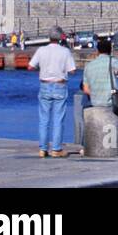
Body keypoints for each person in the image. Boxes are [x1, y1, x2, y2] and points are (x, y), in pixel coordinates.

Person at [27, 27, 77, 157]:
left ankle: (43, 149)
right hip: (60, 85)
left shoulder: (41, 50)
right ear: (61, 38)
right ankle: (56, 149)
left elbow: (30, 66)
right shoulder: (65, 51)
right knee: (58, 119)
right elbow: (72, 71)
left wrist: (43, 67)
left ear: (49, 37)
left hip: (44, 85)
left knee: (44, 119)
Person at [83, 37, 118, 153]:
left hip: (95, 103)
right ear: (110, 50)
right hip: (111, 103)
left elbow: (86, 89)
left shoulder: (89, 66)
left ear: (97, 51)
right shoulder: (112, 61)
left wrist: (96, 94)